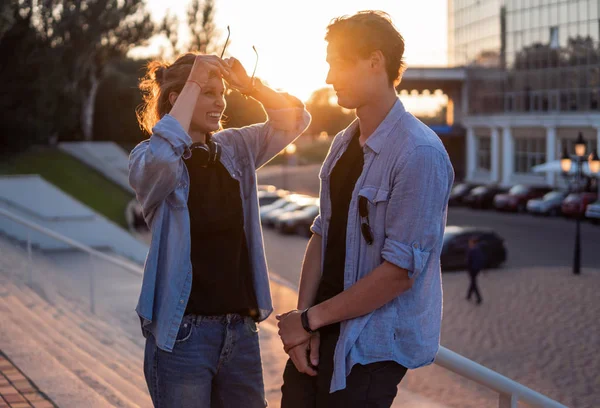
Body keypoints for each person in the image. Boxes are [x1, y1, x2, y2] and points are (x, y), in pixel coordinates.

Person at [276, 11, 454, 407]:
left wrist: (308, 320)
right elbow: (323, 232)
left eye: (337, 63)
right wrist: (305, 321)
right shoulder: (342, 143)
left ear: (375, 61)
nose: (328, 78)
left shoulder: (419, 153)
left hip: (369, 349)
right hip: (318, 330)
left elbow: (398, 274)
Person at [129, 52, 310, 407]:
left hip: (240, 333)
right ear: (176, 98)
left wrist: (251, 87)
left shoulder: (235, 148)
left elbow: (295, 119)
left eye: (222, 92)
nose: (221, 102)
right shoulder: (147, 158)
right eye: (209, 92)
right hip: (183, 336)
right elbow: (165, 157)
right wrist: (194, 79)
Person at [466, 237, 485, 304]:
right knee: (473, 282)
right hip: (476, 269)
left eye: (470, 243)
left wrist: (469, 268)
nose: (469, 244)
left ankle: (479, 298)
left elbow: (469, 261)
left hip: (472, 269)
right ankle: (468, 295)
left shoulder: (472, 250)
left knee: (473, 283)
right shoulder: (478, 249)